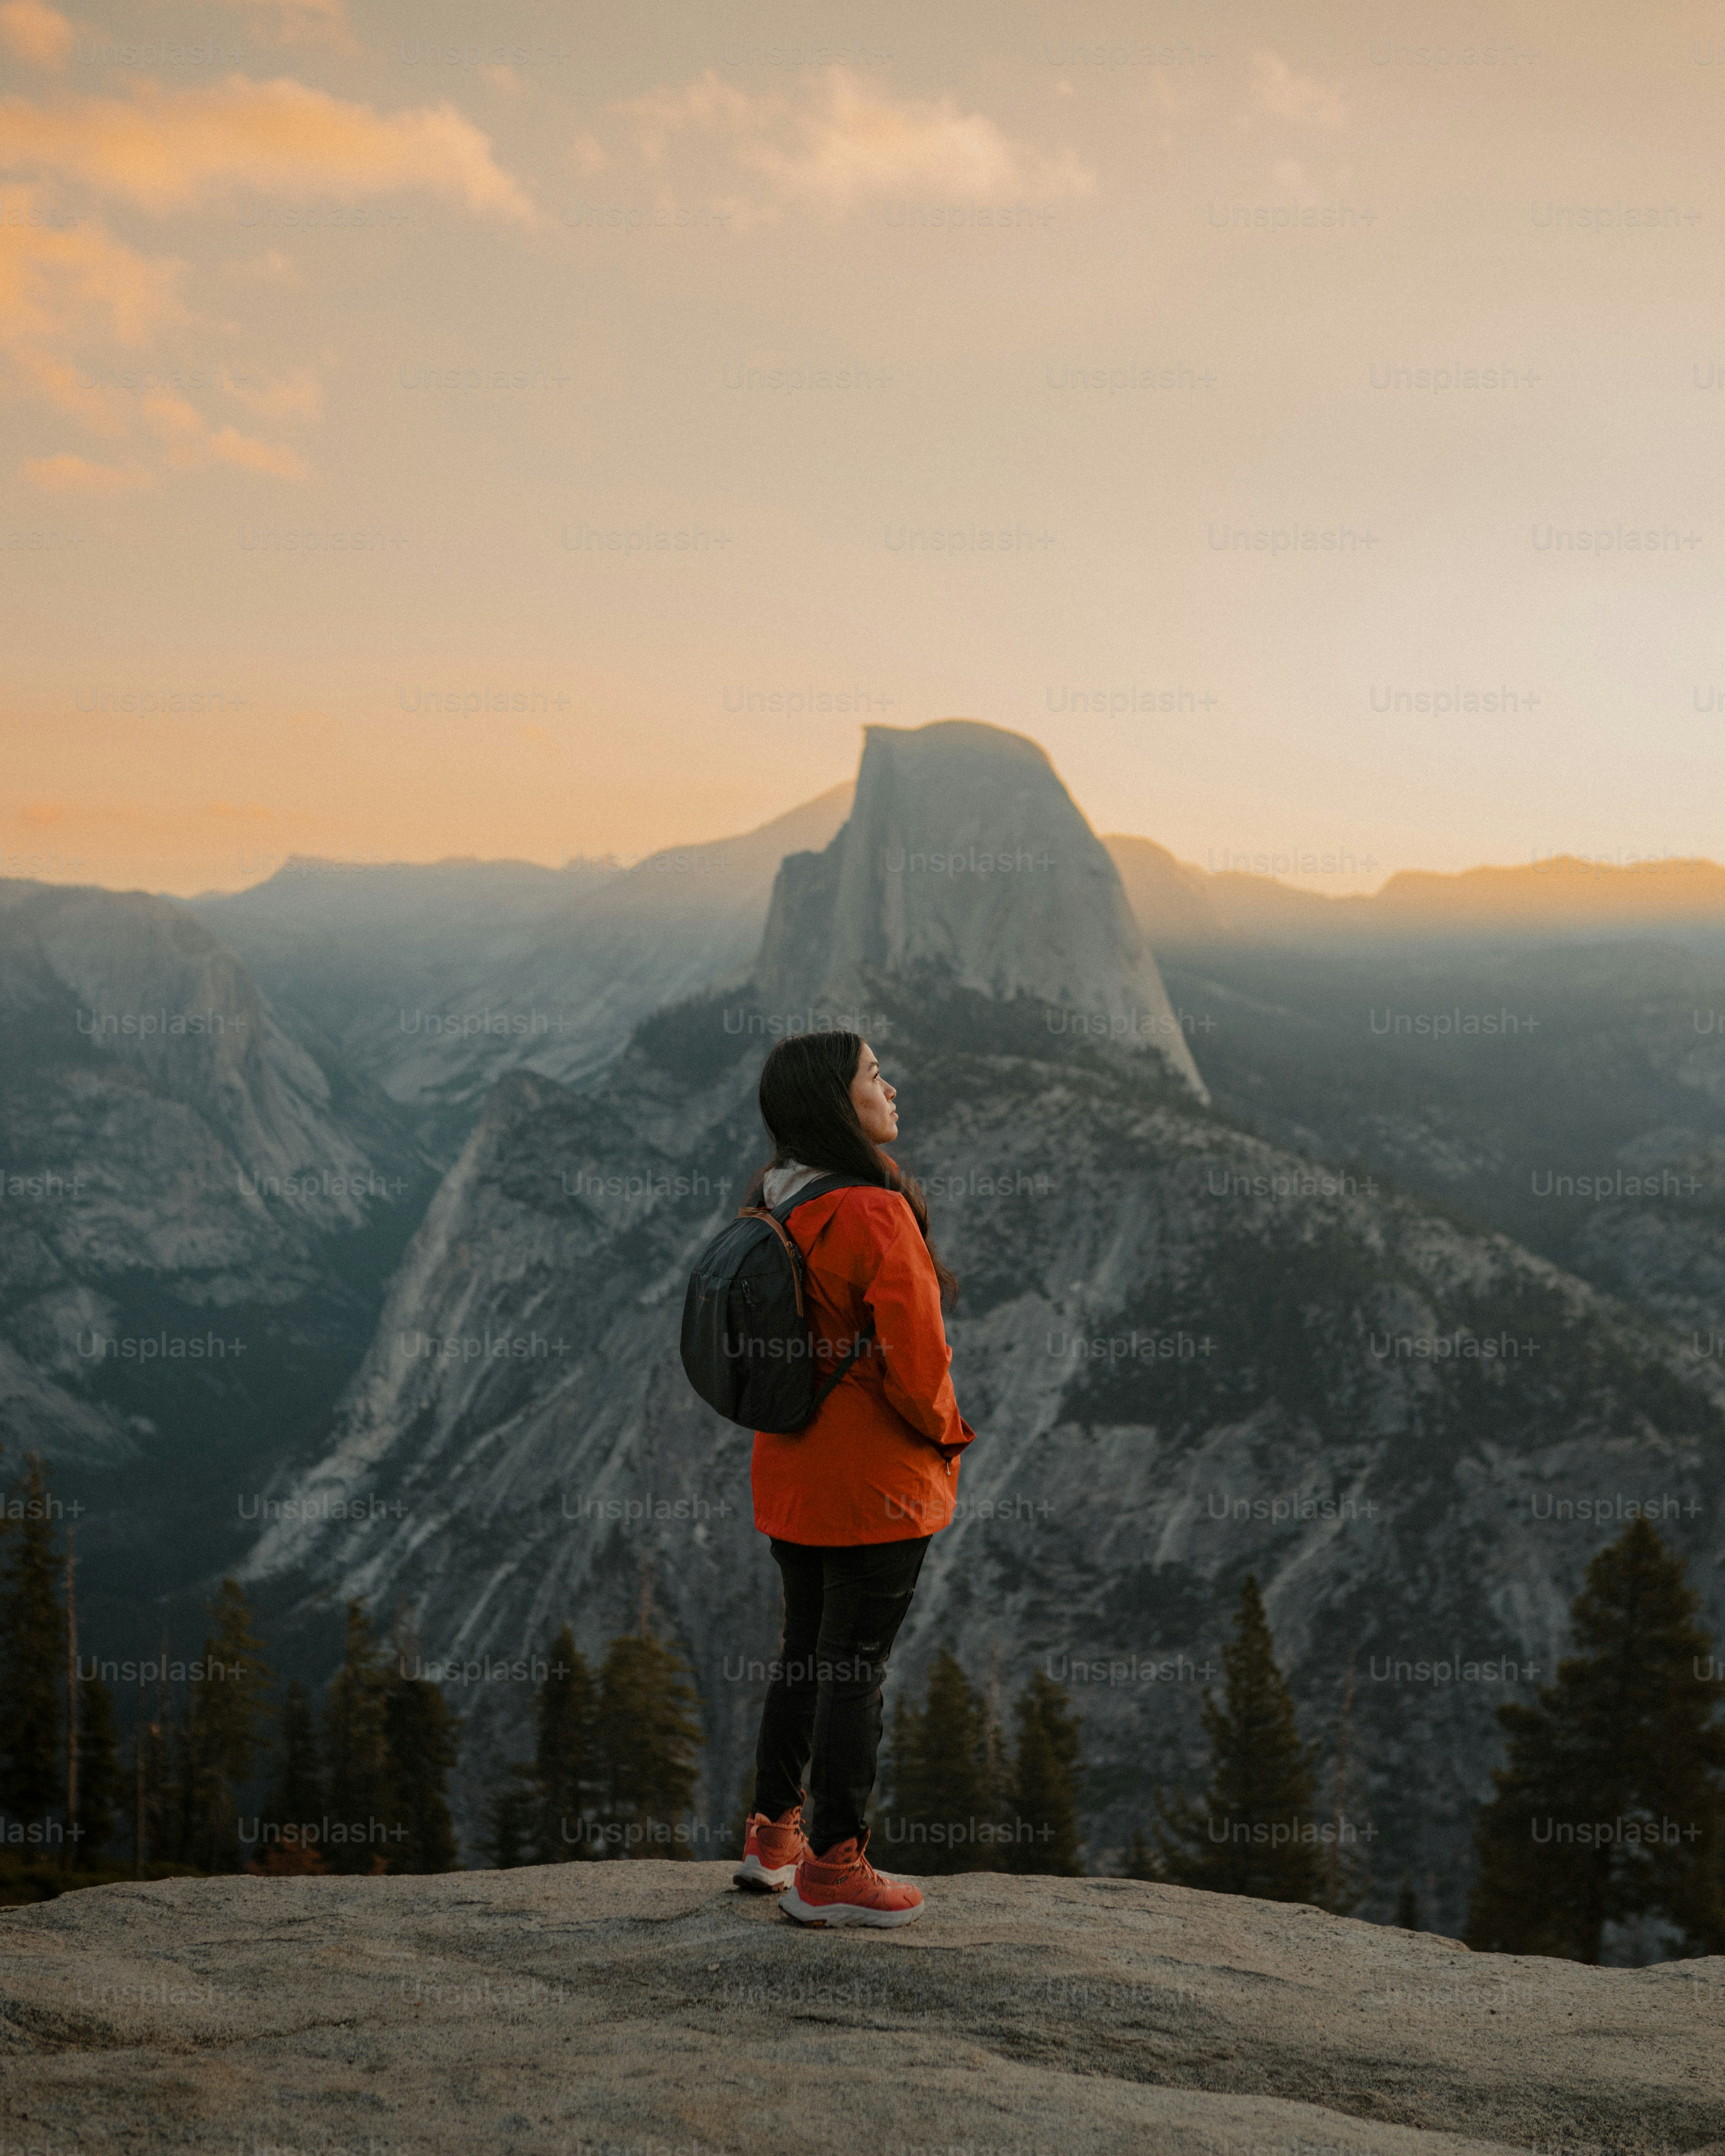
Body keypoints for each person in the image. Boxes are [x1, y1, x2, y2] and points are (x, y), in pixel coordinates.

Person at [731, 1030, 974, 1927]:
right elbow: (918, 1365)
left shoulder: (772, 1199)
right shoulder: (872, 1212)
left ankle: (772, 1841)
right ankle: (835, 1869)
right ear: (841, 1102)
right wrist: (950, 1437)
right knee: (854, 1668)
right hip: (872, 1487)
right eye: (876, 1075)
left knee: (803, 1651)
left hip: (790, 1472)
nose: (892, 1087)